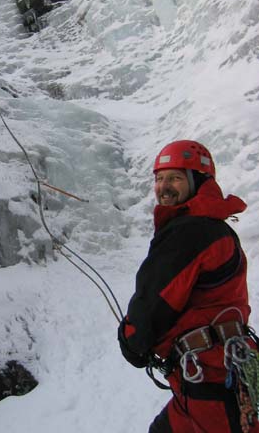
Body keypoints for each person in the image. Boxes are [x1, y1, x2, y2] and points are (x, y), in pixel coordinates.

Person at [118, 139, 259, 432]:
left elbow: (153, 303)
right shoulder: (216, 228)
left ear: (198, 182)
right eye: (159, 178)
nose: (164, 186)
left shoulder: (189, 232)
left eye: (176, 178)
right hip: (227, 369)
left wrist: (132, 340)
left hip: (211, 379)